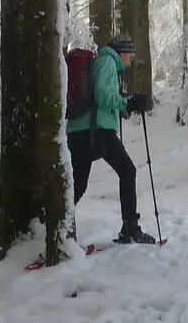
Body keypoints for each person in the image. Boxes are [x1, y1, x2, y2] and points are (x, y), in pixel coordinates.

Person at [66, 35, 157, 244]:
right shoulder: (107, 61)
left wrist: (124, 104)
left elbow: (103, 96)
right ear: (122, 52)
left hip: (82, 129)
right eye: (130, 56)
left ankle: (57, 228)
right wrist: (128, 103)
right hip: (96, 130)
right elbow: (102, 95)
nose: (130, 61)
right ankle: (130, 229)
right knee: (128, 171)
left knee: (78, 184)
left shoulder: (102, 63)